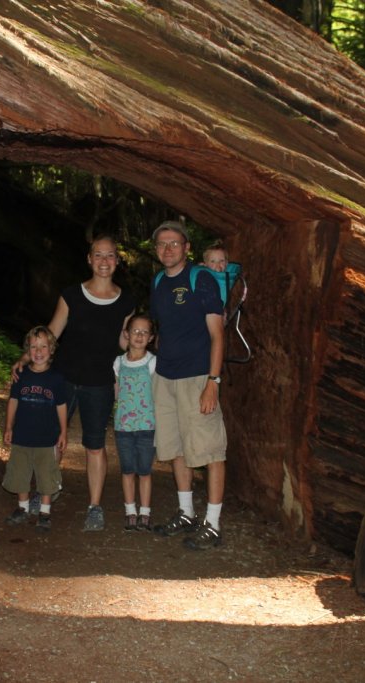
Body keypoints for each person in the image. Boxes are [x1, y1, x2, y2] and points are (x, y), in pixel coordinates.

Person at [12, 235, 135, 531]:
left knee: (95, 445)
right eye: (98, 255)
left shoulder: (127, 302)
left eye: (110, 256)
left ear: (117, 261)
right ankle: (45, 496)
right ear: (89, 259)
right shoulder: (71, 295)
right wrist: (25, 359)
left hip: (99, 382)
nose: (104, 261)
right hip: (64, 378)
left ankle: (95, 506)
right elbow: (52, 332)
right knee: (52, 440)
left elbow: (124, 341)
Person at [149, 220, 228, 550]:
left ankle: (212, 523)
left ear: (186, 248)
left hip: (197, 376)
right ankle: (185, 513)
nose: (168, 249)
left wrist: (213, 381)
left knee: (210, 450)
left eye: (174, 244)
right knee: (175, 448)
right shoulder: (157, 282)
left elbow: (217, 335)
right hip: (165, 377)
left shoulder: (201, 279)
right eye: (162, 244)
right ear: (156, 250)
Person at [3, 326, 68, 534]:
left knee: (46, 475)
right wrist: (9, 427)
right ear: (27, 350)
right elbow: (13, 401)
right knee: (20, 472)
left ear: (52, 349)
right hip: (22, 436)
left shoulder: (56, 378)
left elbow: (61, 406)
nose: (38, 352)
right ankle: (22, 508)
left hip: (46, 438)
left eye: (43, 347)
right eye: (33, 347)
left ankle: (44, 512)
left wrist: (63, 432)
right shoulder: (21, 375)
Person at [112, 313, 157, 531]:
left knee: (145, 470)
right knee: (127, 469)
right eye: (135, 331)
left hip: (147, 427)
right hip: (123, 427)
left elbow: (158, 393)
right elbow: (117, 391)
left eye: (144, 332)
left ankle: (145, 513)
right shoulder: (119, 362)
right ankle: (130, 511)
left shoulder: (153, 362)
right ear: (126, 335)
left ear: (150, 338)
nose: (139, 336)